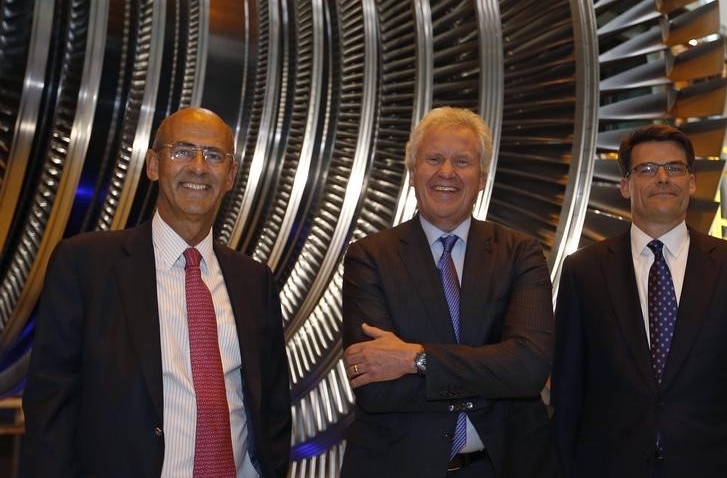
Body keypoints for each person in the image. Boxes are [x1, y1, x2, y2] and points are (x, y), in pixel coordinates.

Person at [22, 107, 291, 477]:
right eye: (182, 150)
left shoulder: (255, 280)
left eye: (214, 156)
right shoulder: (85, 265)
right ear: (152, 164)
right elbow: (49, 410)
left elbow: (273, 407)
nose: (198, 167)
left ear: (230, 176)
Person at [552, 124, 727, 477]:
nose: (663, 178)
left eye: (675, 168)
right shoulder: (583, 273)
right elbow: (567, 396)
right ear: (625, 185)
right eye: (647, 169)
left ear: (692, 182)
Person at [340, 106, 558, 477]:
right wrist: (492, 371)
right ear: (412, 172)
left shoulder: (520, 252)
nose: (447, 173)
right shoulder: (369, 257)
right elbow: (376, 387)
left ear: (482, 177)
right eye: (434, 159)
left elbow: (529, 368)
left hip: (505, 465)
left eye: (462, 161)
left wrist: (416, 360)